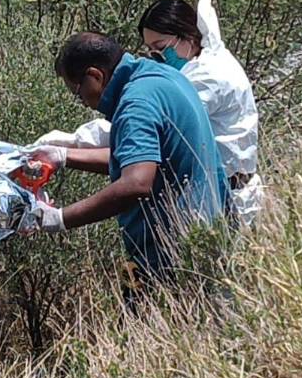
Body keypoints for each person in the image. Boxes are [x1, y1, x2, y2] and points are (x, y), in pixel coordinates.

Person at [34, 0, 263, 225]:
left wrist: (71, 144)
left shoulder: (208, 77)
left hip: (223, 200)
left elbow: (139, 139)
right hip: (211, 196)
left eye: (161, 48)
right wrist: (62, 153)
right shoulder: (185, 72)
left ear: (187, 37)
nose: (157, 57)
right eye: (150, 50)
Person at [29, 32, 230, 284]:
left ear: (95, 76)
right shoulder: (160, 76)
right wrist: (62, 156)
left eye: (78, 92)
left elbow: (136, 182)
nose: (82, 102)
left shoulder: (136, 105)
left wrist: (57, 218)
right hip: (208, 235)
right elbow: (139, 156)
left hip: (171, 255)